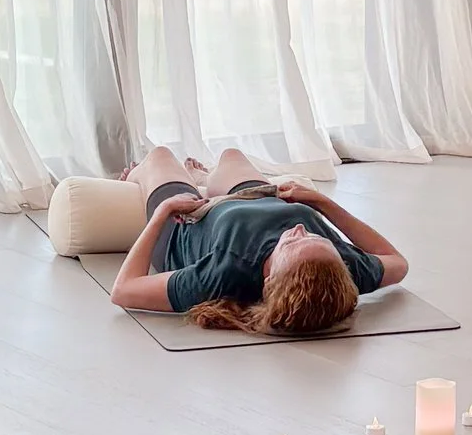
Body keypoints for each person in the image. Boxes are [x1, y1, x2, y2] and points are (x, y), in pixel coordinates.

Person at [107, 143, 409, 337]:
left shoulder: (224, 273)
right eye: (318, 236)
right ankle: (206, 180)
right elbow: (397, 262)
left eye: (291, 244)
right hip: (258, 198)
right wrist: (322, 204)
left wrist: (162, 212)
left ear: (269, 279)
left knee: (160, 155)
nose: (300, 229)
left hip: (183, 226)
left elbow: (123, 290)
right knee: (231, 155)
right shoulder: (335, 271)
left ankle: (147, 176)